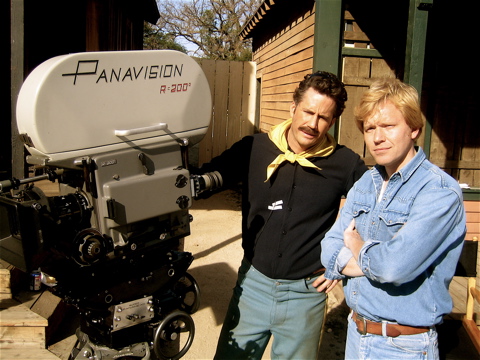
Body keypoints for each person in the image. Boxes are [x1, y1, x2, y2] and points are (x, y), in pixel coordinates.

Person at [195, 71, 368, 359]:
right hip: (252, 285)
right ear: (293, 107)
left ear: (333, 121)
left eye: (323, 118)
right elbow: (208, 177)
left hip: (306, 295)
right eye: (308, 112)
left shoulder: (345, 163)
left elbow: (374, 211)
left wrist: (343, 259)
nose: (312, 124)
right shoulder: (254, 148)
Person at [316, 78, 466, 359]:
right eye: (370, 128)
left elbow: (395, 267)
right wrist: (374, 260)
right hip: (356, 334)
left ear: (414, 129)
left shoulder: (438, 191)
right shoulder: (365, 183)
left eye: (388, 126)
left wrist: (357, 245)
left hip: (402, 346)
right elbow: (329, 247)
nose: (377, 137)